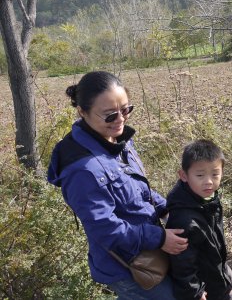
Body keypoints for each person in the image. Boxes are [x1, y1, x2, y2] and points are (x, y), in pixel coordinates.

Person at [47, 71, 188, 300]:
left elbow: (138, 190)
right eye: (110, 115)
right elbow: (105, 228)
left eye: (126, 110)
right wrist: (160, 238)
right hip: (127, 267)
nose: (121, 120)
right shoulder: (81, 170)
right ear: (83, 112)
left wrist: (170, 207)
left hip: (148, 249)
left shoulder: (116, 139)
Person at [166, 139, 232, 300]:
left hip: (216, 278)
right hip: (205, 288)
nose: (209, 181)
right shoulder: (183, 220)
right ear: (183, 175)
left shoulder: (207, 198)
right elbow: (183, 264)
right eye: (200, 175)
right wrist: (196, 292)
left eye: (215, 174)